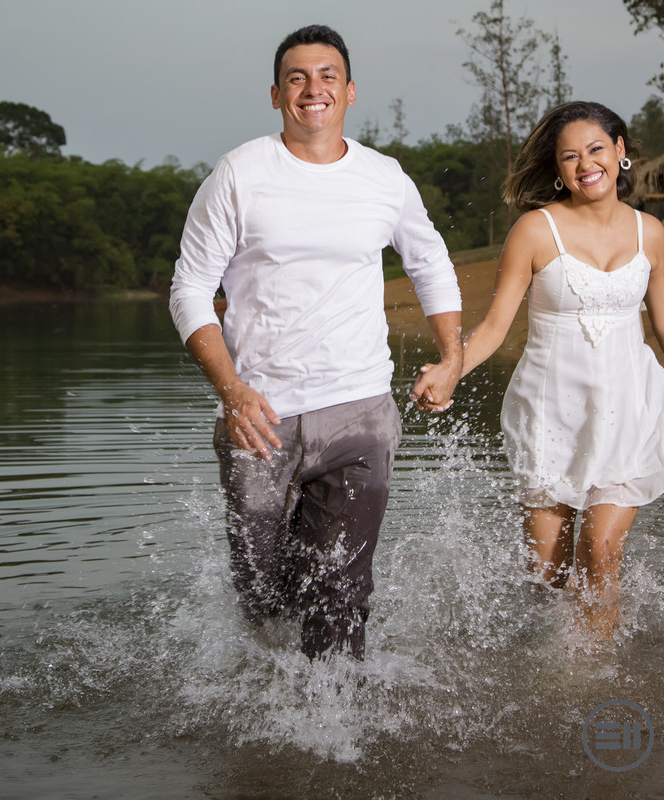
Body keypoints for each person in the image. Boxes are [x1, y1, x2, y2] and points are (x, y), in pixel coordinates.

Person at [169, 24, 463, 661]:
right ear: (276, 95)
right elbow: (190, 288)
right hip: (260, 416)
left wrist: (453, 353)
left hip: (359, 411)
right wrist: (232, 390)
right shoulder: (240, 174)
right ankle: (274, 705)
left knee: (341, 593)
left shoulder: (384, 178)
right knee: (263, 597)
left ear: (350, 92)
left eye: (327, 76)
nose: (313, 89)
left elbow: (431, 262)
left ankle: (340, 729)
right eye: (297, 78)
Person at [421, 101, 664, 638]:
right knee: (547, 574)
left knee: (600, 554)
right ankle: (549, 667)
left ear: (620, 150)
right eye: (570, 157)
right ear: (558, 168)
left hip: (629, 406)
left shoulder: (649, 231)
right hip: (551, 411)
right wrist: (451, 369)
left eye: (596, 149)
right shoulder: (534, 232)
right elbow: (493, 327)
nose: (586, 165)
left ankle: (587, 681)